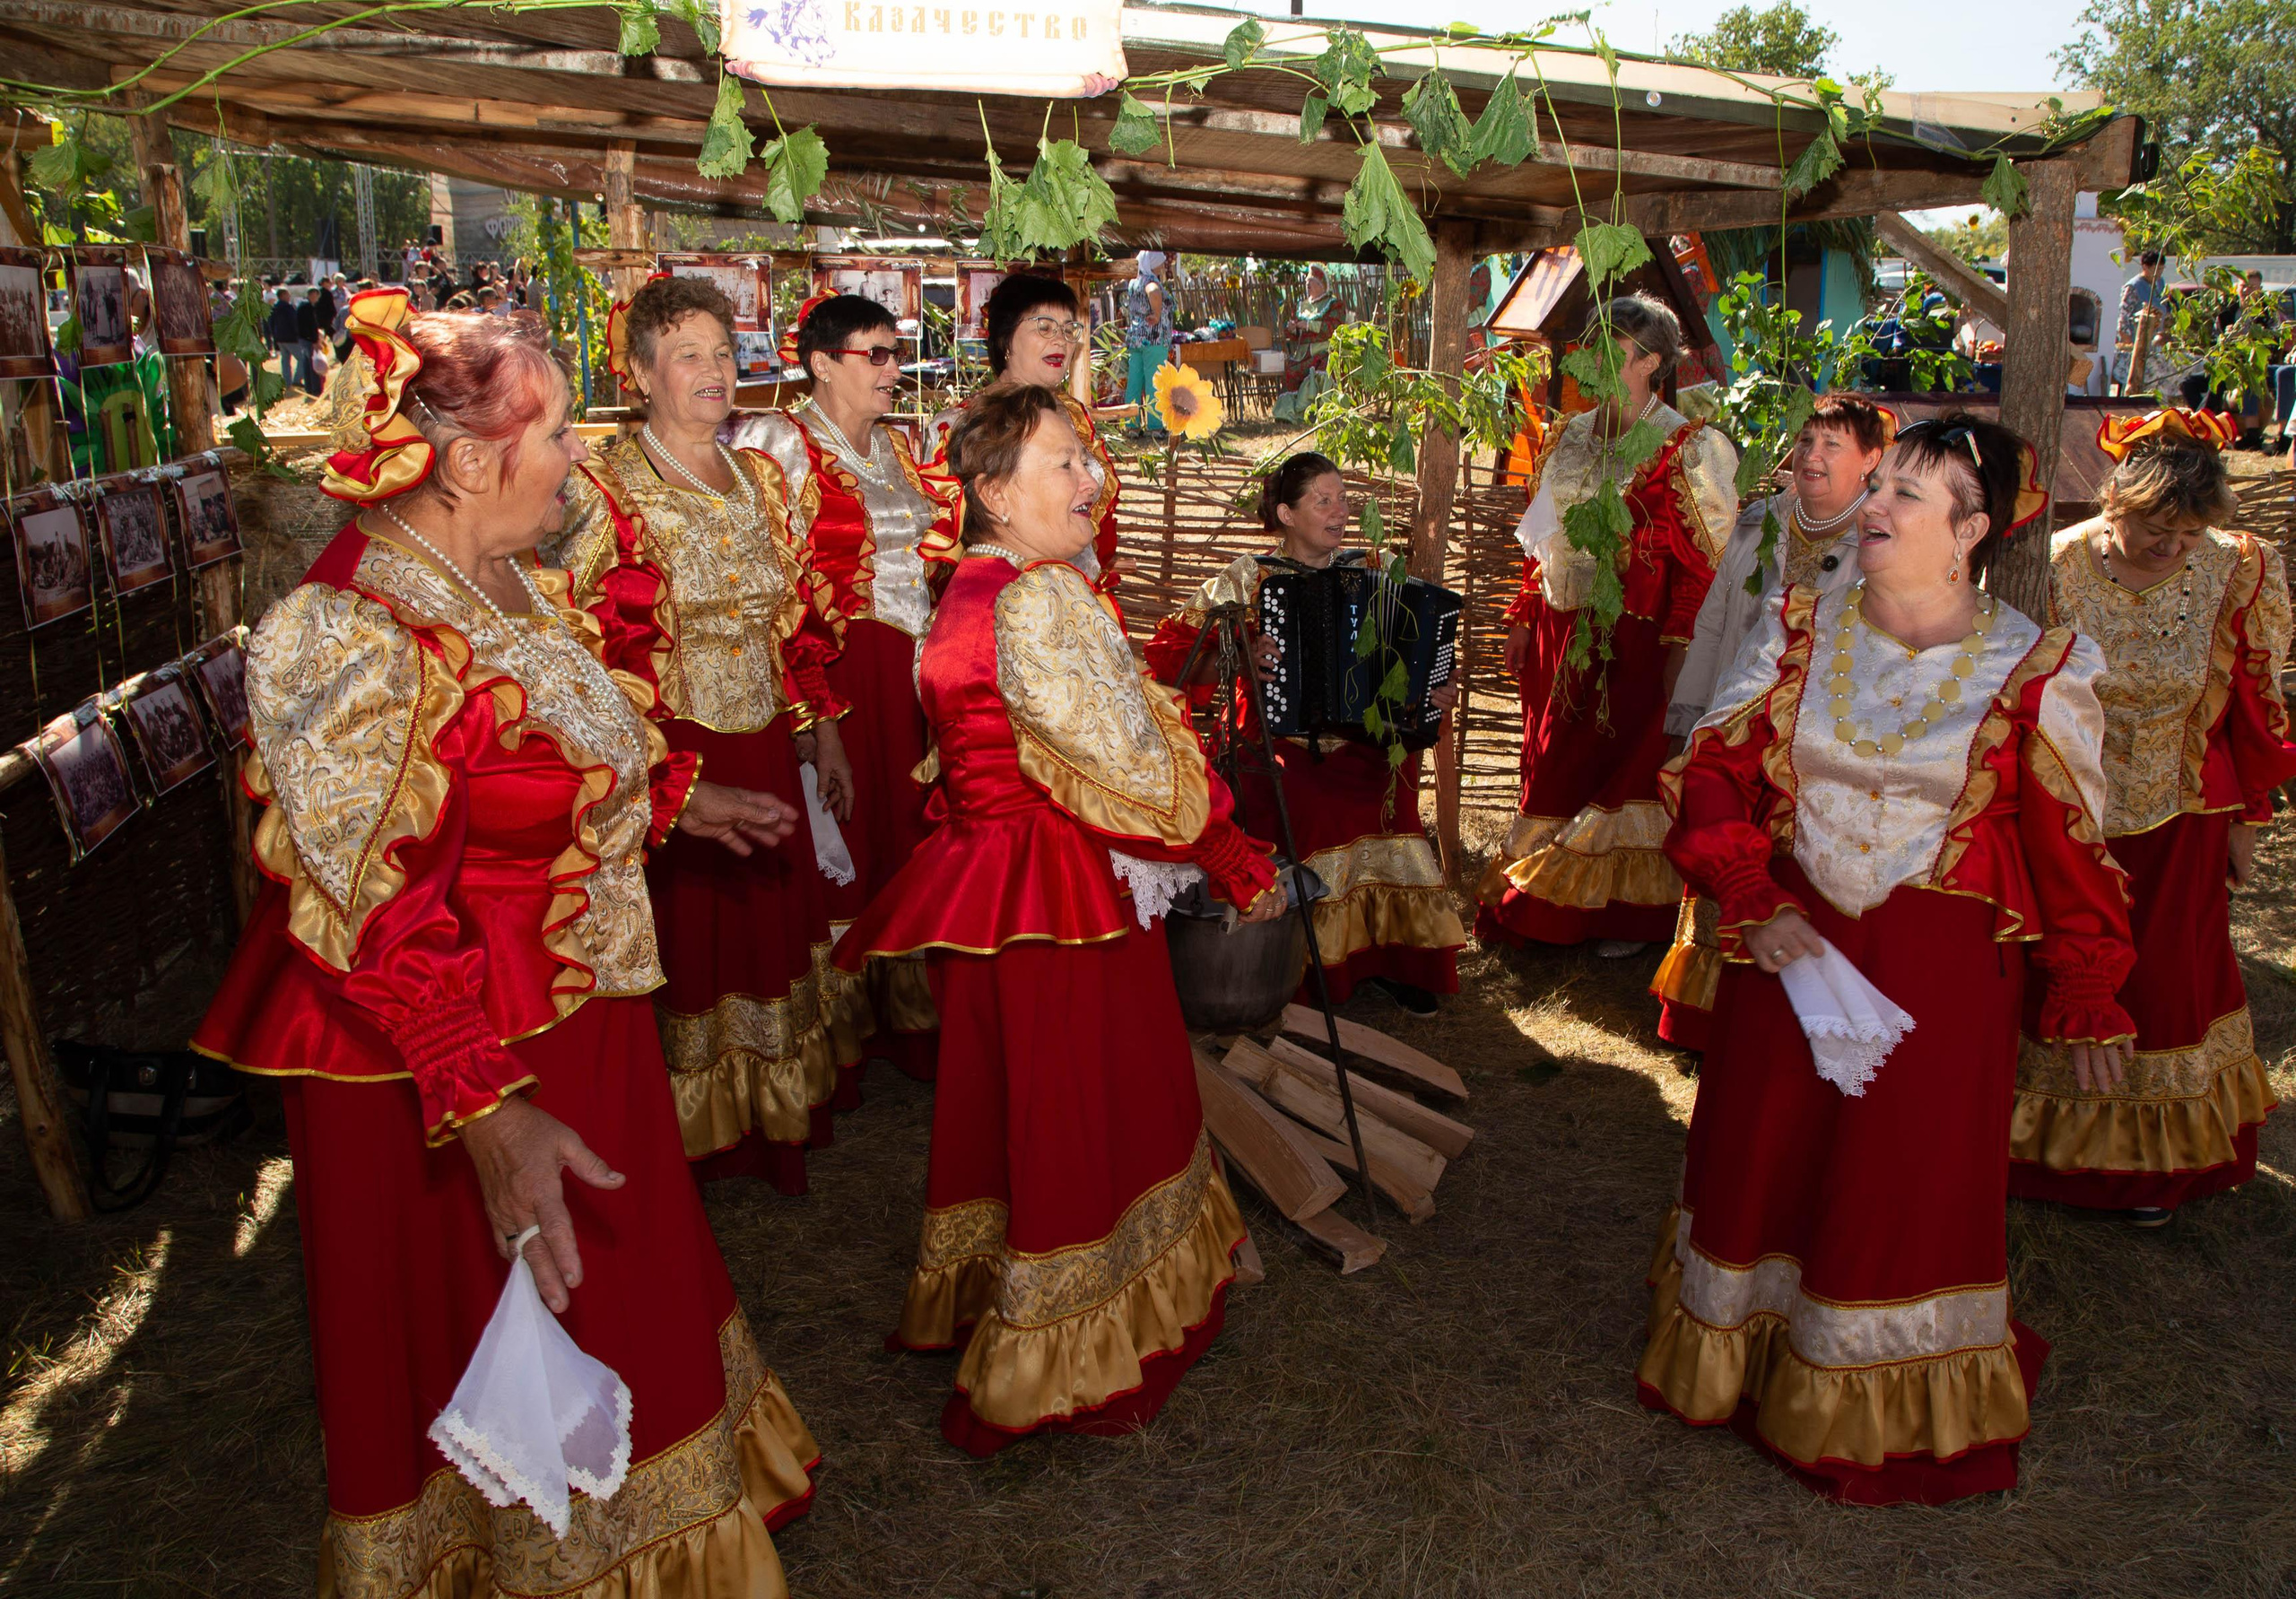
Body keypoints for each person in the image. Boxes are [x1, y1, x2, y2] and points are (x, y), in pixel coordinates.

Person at [192, 291, 822, 1594]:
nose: (584, 458)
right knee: (504, 1336)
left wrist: (673, 793)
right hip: (449, 1059)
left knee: (623, 1299)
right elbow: (362, 891)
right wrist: (487, 1110)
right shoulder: (347, 628)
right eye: (557, 437)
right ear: (470, 461)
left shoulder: (510, 576)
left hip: (575, 1013)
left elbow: (544, 743)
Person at [1642, 412, 2137, 1504]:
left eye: (1909, 494)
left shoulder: (2037, 664)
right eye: (1883, 486)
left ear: (1970, 530)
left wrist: (2091, 985)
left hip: (1941, 982)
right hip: (1794, 946)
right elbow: (1718, 768)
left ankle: (1868, 1392)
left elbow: (2065, 841)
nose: (1875, 506)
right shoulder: (1801, 627)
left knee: (1898, 1185)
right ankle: (1744, 1362)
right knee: (1763, 1156)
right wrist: (1748, 895)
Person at [837, 382, 1281, 1456]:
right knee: (1081, 1105)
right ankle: (1066, 1349)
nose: (1091, 481)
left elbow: (1057, 724)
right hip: (1057, 895)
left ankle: (1018, 1295)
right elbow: (1125, 762)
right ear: (994, 493)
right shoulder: (1035, 598)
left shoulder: (983, 588)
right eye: (1064, 465)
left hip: (1010, 887)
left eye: (1085, 460)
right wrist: (1223, 842)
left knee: (1025, 1103)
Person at [555, 274, 869, 1195]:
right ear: (641, 373)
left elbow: (798, 627)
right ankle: (693, 1138)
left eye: (725, 353)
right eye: (687, 354)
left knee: (775, 935)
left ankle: (779, 1115)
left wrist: (826, 735)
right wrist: (647, 772)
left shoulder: (764, 478)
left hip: (767, 739)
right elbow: (579, 641)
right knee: (693, 950)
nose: (714, 371)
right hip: (674, 759)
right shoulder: (602, 489)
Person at [2010, 410, 2295, 1222]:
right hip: (2066, 812)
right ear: (2113, 502)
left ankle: (2148, 1170)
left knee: (2167, 983)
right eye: (2153, 526)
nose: (2173, 546)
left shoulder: (2236, 570)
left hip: (2183, 811)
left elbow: (2252, 703)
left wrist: (2245, 819)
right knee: (2056, 970)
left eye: (2190, 531)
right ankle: (2040, 1152)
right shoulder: (2053, 565)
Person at [1144, 451, 1465, 1015]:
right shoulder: (1247, 577)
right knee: (1309, 804)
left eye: (1343, 498)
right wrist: (1237, 654)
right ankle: (1309, 969)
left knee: (1393, 800)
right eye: (1324, 500)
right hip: (1277, 745)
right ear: (1287, 515)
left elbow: (1413, 657)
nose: (1341, 511)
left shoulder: (1375, 570)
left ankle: (1391, 961)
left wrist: (1433, 689)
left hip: (1364, 744)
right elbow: (1172, 658)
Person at [1477, 294, 1739, 956]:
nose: (1591, 362)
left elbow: (1705, 565)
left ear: (1650, 362)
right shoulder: (1568, 432)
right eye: (1589, 348)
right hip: (1560, 631)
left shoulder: (1689, 446)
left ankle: (1617, 911)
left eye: (1612, 352)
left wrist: (1680, 651)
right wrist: (1521, 611)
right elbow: (1543, 536)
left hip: (1638, 640)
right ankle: (1546, 895)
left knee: (1617, 772)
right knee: (1555, 770)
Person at [731, 293, 949, 1079]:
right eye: (876, 355)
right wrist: (815, 721)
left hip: (909, 675)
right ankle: (837, 1043)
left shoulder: (897, 450)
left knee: (907, 842)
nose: (894, 370)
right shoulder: (777, 444)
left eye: (898, 353)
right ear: (822, 363)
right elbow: (772, 590)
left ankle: (907, 1018)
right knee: (846, 846)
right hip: (836, 677)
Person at [1652, 393, 1892, 1048]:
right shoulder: (1762, 525)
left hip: (1817, 738)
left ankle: (1784, 1016)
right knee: (1728, 846)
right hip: (1738, 720)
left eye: (1832, 446)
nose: (1811, 456)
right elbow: (1714, 617)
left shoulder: (1877, 539)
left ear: (1871, 460)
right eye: (1808, 441)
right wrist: (1694, 709)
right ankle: (1708, 1014)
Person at [922, 274, 1120, 592]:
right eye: (1044, 327)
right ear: (1006, 337)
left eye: (1070, 330)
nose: (1061, 341)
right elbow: (943, 544)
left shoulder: (1075, 419)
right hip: (1001, 599)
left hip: (1077, 593)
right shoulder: (958, 426)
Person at [1124, 251, 1175, 437]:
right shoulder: (1150, 281)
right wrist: (1158, 313)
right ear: (1152, 263)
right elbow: (1153, 291)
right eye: (1160, 263)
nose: (1162, 266)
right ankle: (1155, 426)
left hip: (1136, 337)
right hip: (1153, 338)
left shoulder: (1134, 281)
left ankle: (1132, 426)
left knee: (1135, 382)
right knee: (1155, 381)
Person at [2115, 248, 2166, 389]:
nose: (2159, 273)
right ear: (2145, 267)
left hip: (2154, 342)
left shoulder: (2160, 283)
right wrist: (2129, 344)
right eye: (2156, 270)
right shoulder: (2133, 287)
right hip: (2136, 341)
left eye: (2161, 269)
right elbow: (2123, 318)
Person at [266, 284, 307, 395]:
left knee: (285, 361)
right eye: (288, 294)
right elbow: (294, 322)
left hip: (279, 338)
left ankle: (287, 383)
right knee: (302, 359)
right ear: (283, 295)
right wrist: (298, 334)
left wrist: (274, 337)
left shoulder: (274, 308)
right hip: (291, 338)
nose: (289, 296)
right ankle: (297, 380)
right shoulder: (288, 308)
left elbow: (270, 323)